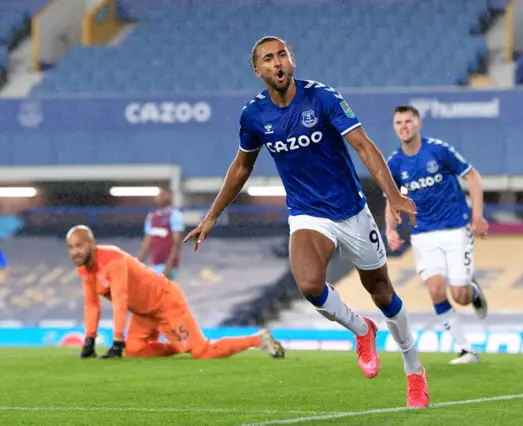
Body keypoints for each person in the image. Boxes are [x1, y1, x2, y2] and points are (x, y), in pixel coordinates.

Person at [184, 36, 429, 407]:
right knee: (310, 284)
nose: (277, 62)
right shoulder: (253, 116)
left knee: (383, 293)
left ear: (292, 61)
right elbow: (241, 167)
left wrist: (391, 193)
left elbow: (363, 145)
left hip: (352, 212)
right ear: (258, 71)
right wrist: (212, 215)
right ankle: (362, 330)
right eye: (269, 59)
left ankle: (414, 371)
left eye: (282, 55)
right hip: (307, 214)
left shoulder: (323, 97)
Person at [67, 225, 284, 360]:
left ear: (92, 244)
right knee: (134, 350)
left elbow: (121, 300)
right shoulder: (84, 268)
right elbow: (91, 305)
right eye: (71, 247)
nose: (75, 252)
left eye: (79, 246)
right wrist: (89, 341)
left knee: (203, 352)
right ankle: (180, 345)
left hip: (164, 302)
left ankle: (258, 339)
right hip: (144, 313)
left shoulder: (113, 259)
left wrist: (117, 340)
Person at [385, 105, 489, 364]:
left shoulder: (439, 150)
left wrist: (477, 216)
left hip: (456, 229)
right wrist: (390, 228)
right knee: (435, 291)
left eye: (408, 121)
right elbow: (392, 198)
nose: (404, 126)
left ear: (418, 124)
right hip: (424, 235)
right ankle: (467, 350)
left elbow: (473, 177)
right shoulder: (395, 163)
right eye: (399, 123)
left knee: (460, 297)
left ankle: (471, 290)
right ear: (395, 127)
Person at [138, 187, 184, 280]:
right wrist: (137, 263)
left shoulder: (175, 215)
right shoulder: (151, 217)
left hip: (169, 267)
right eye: (158, 194)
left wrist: (168, 267)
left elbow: (176, 243)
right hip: (154, 265)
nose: (160, 197)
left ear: (170, 196)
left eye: (163, 194)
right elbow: (147, 243)